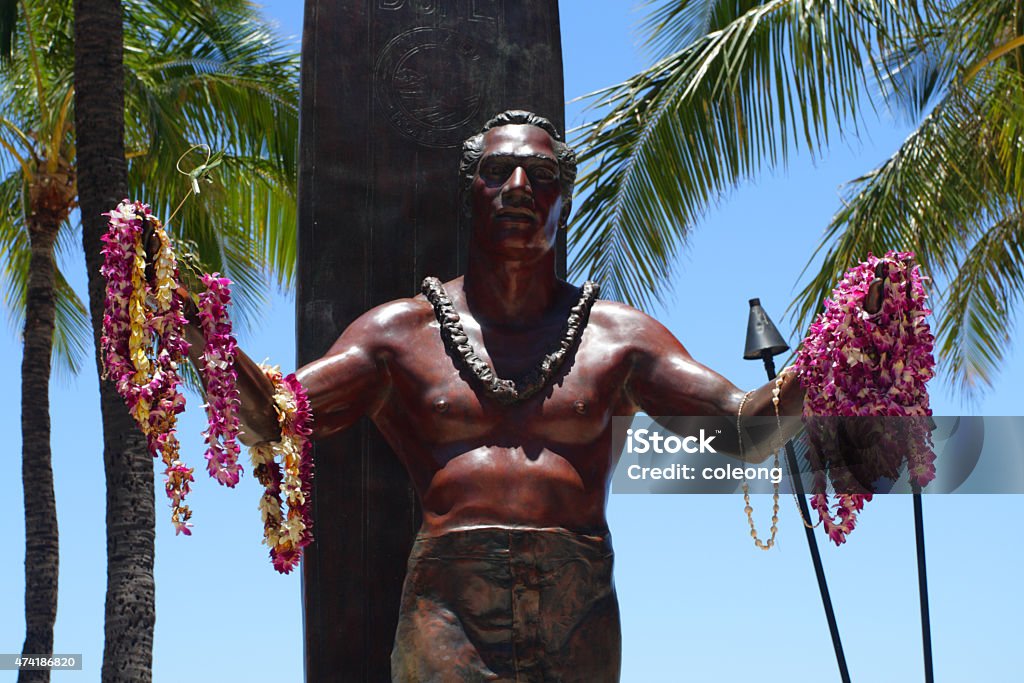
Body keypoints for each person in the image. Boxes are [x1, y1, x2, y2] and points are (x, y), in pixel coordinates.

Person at [160, 110, 878, 682]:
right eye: (497, 171)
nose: (517, 189)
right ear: (469, 189)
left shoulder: (620, 339)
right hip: (449, 609)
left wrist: (839, 348)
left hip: (579, 606)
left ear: (563, 196)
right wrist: (197, 332)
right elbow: (278, 415)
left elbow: (743, 426)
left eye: (539, 175)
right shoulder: (397, 336)